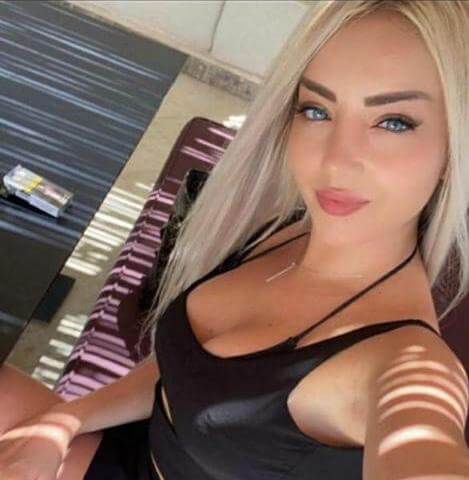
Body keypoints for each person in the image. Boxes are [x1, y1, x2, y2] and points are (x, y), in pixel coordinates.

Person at [1, 0, 469, 479]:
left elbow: (424, 451)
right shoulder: (283, 231)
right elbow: (184, 373)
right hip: (133, 450)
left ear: (454, 147)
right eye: (316, 110)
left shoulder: (406, 366)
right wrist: (64, 421)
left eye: (394, 122)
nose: (335, 161)